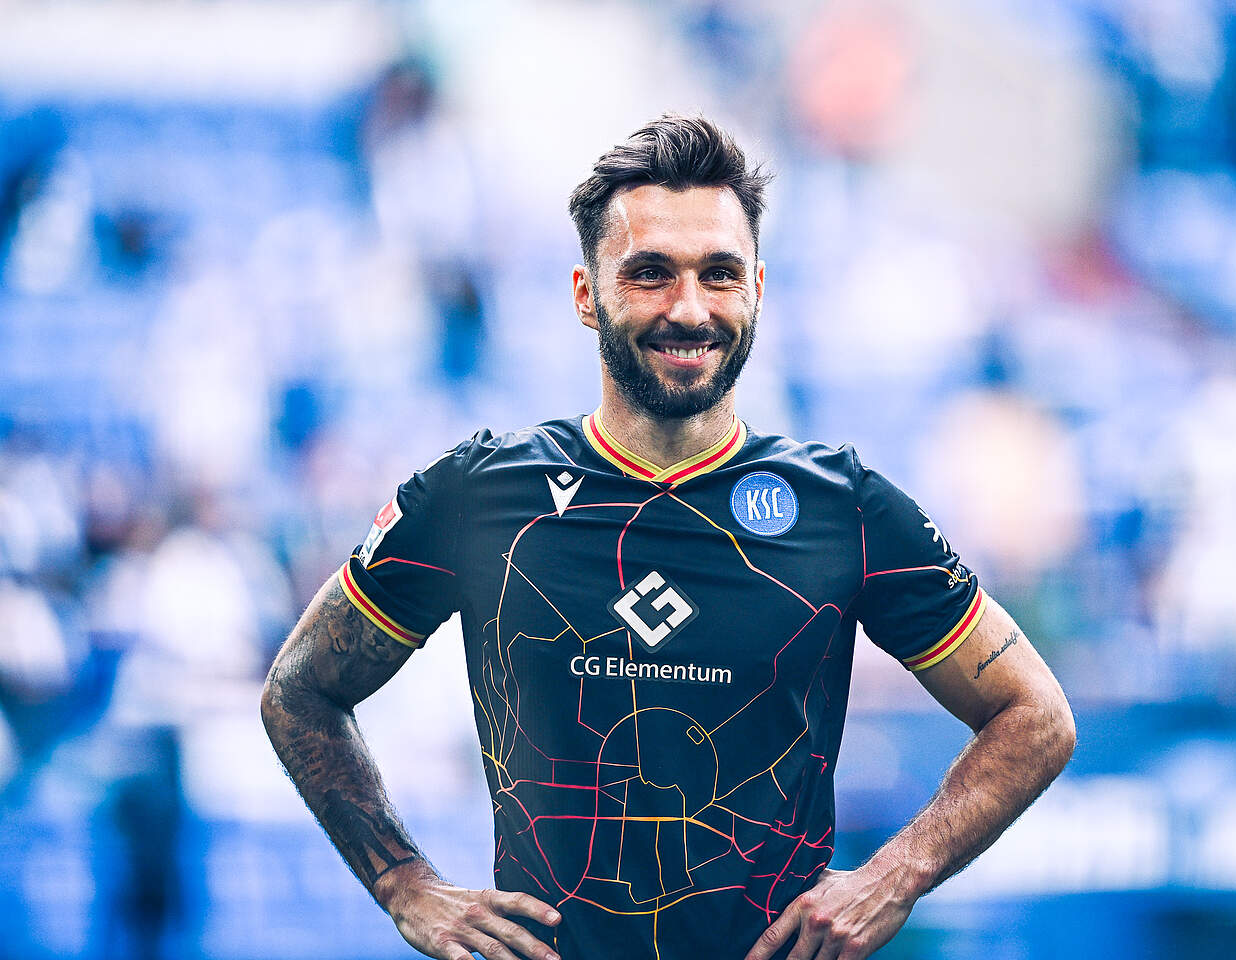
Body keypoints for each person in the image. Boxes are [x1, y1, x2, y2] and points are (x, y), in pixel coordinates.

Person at [261, 114, 1076, 960]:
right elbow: (299, 691)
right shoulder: (478, 494)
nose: (689, 309)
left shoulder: (845, 508)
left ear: (757, 288)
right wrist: (404, 884)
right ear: (587, 293)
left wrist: (896, 874)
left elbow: (1036, 715)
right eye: (650, 273)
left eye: (719, 274)